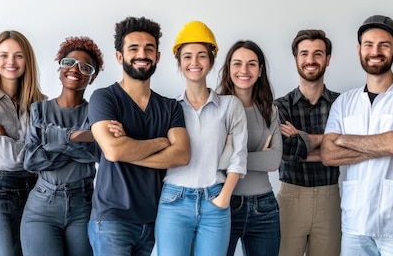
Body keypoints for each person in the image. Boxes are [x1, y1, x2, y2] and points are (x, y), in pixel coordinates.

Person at [321, 15, 393, 256]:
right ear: (359, 49)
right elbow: (328, 154)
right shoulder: (344, 102)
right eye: (369, 44)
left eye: (384, 45)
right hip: (354, 225)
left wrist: (342, 138)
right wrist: (383, 142)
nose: (375, 51)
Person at [88, 16, 191, 256]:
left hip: (155, 219)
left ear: (157, 57)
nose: (142, 54)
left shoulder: (170, 107)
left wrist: (127, 148)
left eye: (149, 49)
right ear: (119, 56)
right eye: (133, 48)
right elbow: (113, 150)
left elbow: (183, 155)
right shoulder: (104, 98)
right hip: (113, 220)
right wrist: (161, 142)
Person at [155, 21, 247, 256]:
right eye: (187, 57)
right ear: (179, 62)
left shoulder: (230, 105)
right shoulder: (168, 108)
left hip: (215, 199)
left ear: (211, 60)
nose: (194, 63)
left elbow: (239, 155)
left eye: (201, 56)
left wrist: (223, 198)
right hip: (174, 201)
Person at [21, 36, 116, 256]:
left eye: (85, 67)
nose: (75, 69)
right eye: (69, 62)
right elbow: (31, 160)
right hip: (41, 206)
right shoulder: (40, 109)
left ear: (91, 78)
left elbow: (97, 155)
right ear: (60, 67)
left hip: (83, 204)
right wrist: (76, 137)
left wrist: (53, 139)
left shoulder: (96, 113)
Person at [0, 30, 46, 256]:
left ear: (27, 61)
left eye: (18, 55)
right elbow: (10, 159)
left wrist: (7, 138)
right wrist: (32, 146)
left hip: (36, 193)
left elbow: (47, 154)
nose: (11, 62)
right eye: (3, 55)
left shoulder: (41, 105)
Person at [274, 29, 341, 256]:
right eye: (304, 54)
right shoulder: (280, 106)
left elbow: (349, 147)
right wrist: (331, 143)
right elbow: (285, 151)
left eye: (318, 54)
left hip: (330, 197)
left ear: (328, 59)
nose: (310, 60)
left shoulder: (342, 104)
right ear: (296, 59)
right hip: (291, 196)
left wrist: (301, 137)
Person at [218, 40, 282, 256]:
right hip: (224, 203)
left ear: (260, 70)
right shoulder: (217, 108)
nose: (244, 70)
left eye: (251, 64)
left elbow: (273, 161)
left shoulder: (270, 111)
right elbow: (212, 159)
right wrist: (258, 157)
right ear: (228, 69)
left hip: (264, 207)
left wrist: (232, 156)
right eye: (237, 63)